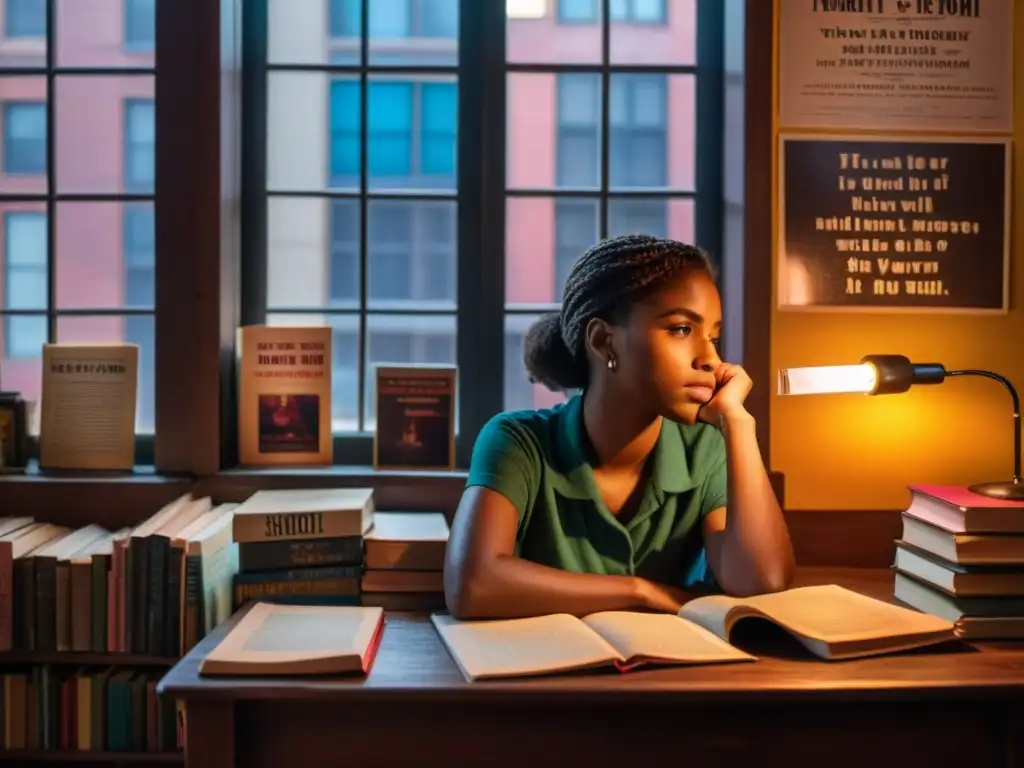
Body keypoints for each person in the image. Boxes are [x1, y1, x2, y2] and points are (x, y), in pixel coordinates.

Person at [444, 234, 795, 620]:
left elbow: (763, 580)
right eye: (681, 329)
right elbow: (472, 586)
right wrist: (638, 591)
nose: (711, 358)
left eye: (713, 335)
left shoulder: (707, 448)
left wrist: (738, 424)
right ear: (604, 341)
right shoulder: (517, 441)